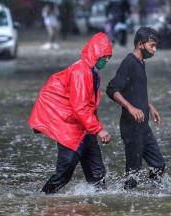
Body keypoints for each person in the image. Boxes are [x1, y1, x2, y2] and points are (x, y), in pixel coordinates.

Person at [28, 33, 113, 194]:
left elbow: (90, 106)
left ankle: (98, 207)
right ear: (95, 54)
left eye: (109, 57)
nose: (107, 60)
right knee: (63, 177)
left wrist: (94, 129)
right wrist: (98, 129)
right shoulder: (81, 72)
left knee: (98, 177)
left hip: (85, 130)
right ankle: (41, 199)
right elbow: (80, 107)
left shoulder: (92, 73)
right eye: (105, 56)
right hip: (72, 132)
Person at [106, 27, 165, 189]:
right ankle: (127, 203)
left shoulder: (140, 63)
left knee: (158, 165)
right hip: (131, 128)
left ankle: (154, 197)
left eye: (155, 46)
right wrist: (130, 108)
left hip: (143, 126)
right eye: (152, 45)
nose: (155, 50)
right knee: (133, 174)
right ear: (140, 44)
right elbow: (112, 89)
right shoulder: (129, 63)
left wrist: (148, 105)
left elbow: (134, 91)